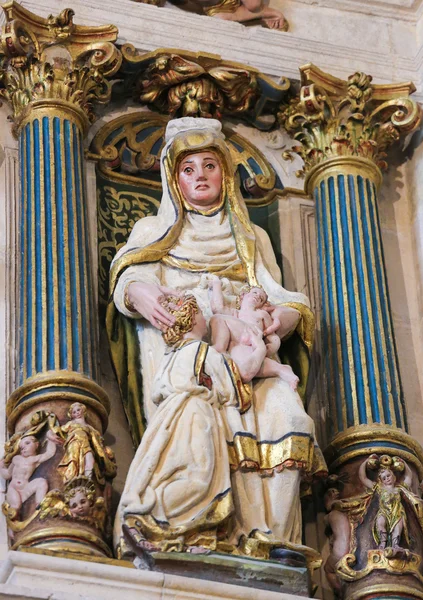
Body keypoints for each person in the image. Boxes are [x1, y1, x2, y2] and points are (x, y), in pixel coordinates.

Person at [109, 117, 326, 561]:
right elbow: (129, 278)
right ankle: (199, 527)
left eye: (210, 165)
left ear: (224, 175)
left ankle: (271, 539)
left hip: (246, 343)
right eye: (189, 169)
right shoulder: (153, 232)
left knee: (289, 417)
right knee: (198, 423)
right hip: (187, 350)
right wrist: (141, 292)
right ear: (175, 179)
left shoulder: (251, 237)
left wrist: (276, 320)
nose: (201, 175)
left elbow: (286, 300)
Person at [209, 276, 300, 388]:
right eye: (255, 293)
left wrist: (271, 348)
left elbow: (273, 337)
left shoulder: (262, 315)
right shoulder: (235, 313)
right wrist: (216, 284)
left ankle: (219, 349)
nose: (257, 296)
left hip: (252, 336)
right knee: (242, 370)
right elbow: (217, 307)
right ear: (243, 295)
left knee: (217, 318)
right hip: (241, 342)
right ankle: (281, 369)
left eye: (261, 299)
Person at [359, 455, 412, 550]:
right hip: (383, 511)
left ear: (393, 476)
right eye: (384, 478)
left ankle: (395, 545)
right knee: (380, 524)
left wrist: (404, 463)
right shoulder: (379, 488)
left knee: (398, 529)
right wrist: (365, 461)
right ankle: (382, 543)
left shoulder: (399, 488)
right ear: (381, 481)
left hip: (398, 512)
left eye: (388, 475)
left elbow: (409, 477)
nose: (387, 478)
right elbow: (363, 478)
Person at [57, 402, 116, 486]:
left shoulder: (89, 427)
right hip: (74, 443)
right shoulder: (71, 424)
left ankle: (87, 481)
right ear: (71, 415)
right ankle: (70, 479)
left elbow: (97, 438)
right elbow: (59, 431)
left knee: (90, 461)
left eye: (78, 410)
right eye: (74, 412)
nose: (77, 413)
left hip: (86, 445)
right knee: (73, 461)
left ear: (83, 411)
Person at [0, 432, 59, 514]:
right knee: (16, 507)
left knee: (41, 482)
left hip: (25, 488)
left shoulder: (35, 460)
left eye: (27, 443)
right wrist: (1, 466)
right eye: (21, 448)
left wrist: (50, 438)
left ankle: (40, 504)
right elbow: (8, 474)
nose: (24, 448)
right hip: (14, 488)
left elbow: (49, 453)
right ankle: (13, 515)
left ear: (36, 444)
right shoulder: (16, 459)